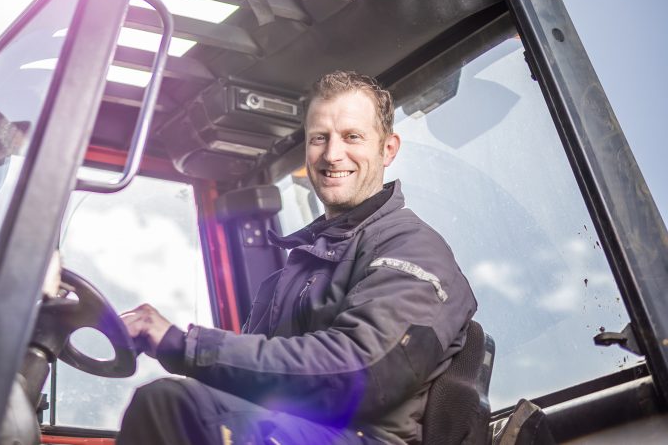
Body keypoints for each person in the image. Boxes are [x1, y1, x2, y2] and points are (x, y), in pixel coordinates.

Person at [118, 71, 477, 445]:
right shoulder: (296, 270)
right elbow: (255, 382)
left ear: (388, 148)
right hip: (299, 431)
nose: (332, 154)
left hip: (361, 437)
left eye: (352, 137)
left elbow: (358, 374)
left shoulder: (411, 249)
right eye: (319, 138)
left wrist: (181, 343)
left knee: (172, 408)